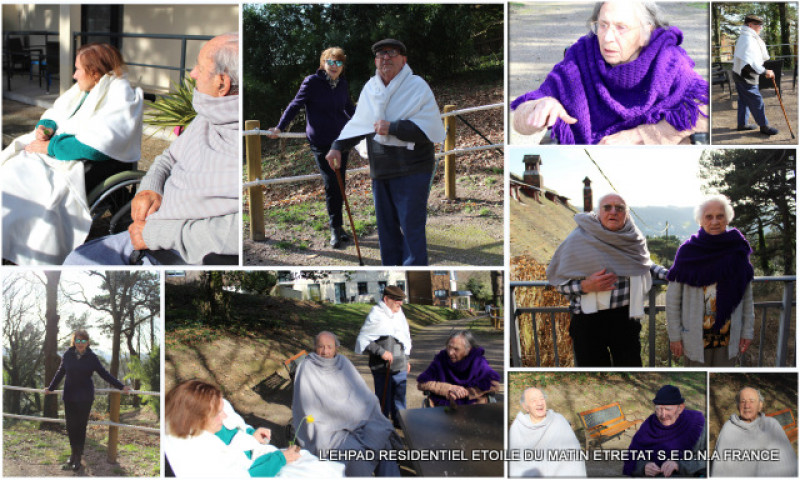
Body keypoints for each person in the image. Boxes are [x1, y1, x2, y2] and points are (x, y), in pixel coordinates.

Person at [63, 33, 239, 266]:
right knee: (76, 260)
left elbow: (235, 231)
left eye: (199, 66)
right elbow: (168, 157)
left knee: (78, 263)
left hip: (178, 251)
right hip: (150, 229)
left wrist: (157, 235)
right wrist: (150, 188)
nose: (192, 73)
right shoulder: (207, 116)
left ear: (222, 84)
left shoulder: (244, 145)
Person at [2, 42, 143, 265]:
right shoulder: (86, 88)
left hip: (83, 163)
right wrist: (45, 127)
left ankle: (21, 243)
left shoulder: (120, 94)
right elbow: (58, 111)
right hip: (57, 153)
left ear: (95, 72)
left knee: (21, 187)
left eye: (78, 69)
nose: (74, 75)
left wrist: (50, 147)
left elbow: (95, 146)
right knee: (9, 173)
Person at [511, 1, 708, 145]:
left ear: (645, 33)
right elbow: (519, 122)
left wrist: (641, 136)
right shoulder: (580, 58)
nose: (607, 38)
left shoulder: (669, 61)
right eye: (602, 25)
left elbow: (704, 111)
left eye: (621, 28)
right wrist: (538, 107)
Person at [326, 39, 445, 265]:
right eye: (381, 55)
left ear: (404, 60)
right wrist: (337, 146)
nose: (386, 58)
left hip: (413, 168)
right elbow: (359, 123)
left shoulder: (418, 86)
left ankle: (413, 272)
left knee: (412, 228)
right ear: (375, 61)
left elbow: (430, 129)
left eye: (392, 53)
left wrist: (393, 128)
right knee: (386, 230)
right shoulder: (371, 88)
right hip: (381, 169)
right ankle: (393, 273)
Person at [546, 193, 667, 366]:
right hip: (589, 321)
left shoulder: (633, 237)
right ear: (598, 212)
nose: (614, 211)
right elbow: (558, 282)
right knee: (595, 377)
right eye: (607, 207)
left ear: (626, 214)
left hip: (625, 319)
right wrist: (586, 285)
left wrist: (671, 275)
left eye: (620, 208)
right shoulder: (579, 238)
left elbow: (644, 263)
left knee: (630, 372)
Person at [268, 48, 356, 249]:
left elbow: (350, 109)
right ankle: (335, 229)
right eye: (330, 62)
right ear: (323, 63)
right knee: (331, 183)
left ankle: (340, 227)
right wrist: (280, 127)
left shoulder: (342, 84)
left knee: (340, 183)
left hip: (341, 141)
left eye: (339, 63)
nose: (334, 66)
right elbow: (295, 105)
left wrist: (366, 123)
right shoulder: (312, 82)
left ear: (343, 67)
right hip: (322, 142)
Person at [165, 380, 337, 477]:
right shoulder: (198, 452)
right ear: (196, 419)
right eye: (218, 413)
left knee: (323, 467)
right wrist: (280, 458)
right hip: (264, 467)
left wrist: (251, 434)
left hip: (261, 455)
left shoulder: (213, 419)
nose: (224, 416)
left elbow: (235, 427)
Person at [292, 331, 401, 477]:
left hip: (357, 421)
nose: (325, 351)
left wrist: (365, 409)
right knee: (355, 454)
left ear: (336, 347)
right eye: (321, 347)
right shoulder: (306, 367)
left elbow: (361, 391)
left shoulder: (343, 362)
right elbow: (307, 406)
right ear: (314, 347)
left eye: (329, 347)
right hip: (327, 428)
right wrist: (342, 415)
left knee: (383, 439)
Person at [666, 195, 755, 366]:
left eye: (720, 216)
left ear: (727, 219)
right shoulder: (687, 252)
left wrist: (747, 332)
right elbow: (673, 299)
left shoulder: (738, 249)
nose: (715, 221)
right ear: (700, 220)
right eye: (709, 216)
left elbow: (747, 297)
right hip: (695, 338)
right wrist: (675, 336)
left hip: (729, 337)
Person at [45, 330, 130, 471]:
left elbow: (104, 374)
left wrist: (121, 386)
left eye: (83, 341)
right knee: (71, 427)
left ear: (87, 342)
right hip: (70, 397)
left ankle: (78, 457)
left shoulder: (92, 358)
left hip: (85, 398)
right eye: (78, 340)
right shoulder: (67, 355)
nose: (80, 343)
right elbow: (60, 372)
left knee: (80, 427)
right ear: (74, 342)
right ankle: (72, 455)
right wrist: (51, 388)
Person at [355, 286, 412, 423]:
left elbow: (404, 339)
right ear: (386, 299)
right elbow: (364, 340)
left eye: (401, 300)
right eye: (397, 300)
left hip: (399, 366)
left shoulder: (399, 314)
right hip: (381, 368)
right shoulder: (376, 314)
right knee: (383, 399)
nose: (401, 303)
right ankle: (383, 424)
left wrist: (406, 360)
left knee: (399, 397)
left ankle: (400, 422)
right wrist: (381, 352)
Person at [712, 387, 797, 477]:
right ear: (738, 406)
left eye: (752, 401)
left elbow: (787, 459)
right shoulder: (729, 428)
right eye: (743, 401)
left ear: (760, 406)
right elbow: (721, 467)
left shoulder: (771, 424)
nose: (747, 405)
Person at [623, 385, 706, 477]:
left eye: (668, 409)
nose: (663, 415)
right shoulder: (648, 426)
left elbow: (709, 459)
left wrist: (680, 465)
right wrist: (643, 467)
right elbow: (632, 457)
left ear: (680, 408)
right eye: (659, 409)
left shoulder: (696, 425)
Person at [509, 387, 586, 477]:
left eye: (542, 399)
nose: (540, 403)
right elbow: (514, 463)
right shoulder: (518, 426)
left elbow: (574, 456)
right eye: (534, 400)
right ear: (525, 407)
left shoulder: (559, 421)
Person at [416, 330, 501, 406]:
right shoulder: (441, 359)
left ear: (468, 349)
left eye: (456, 349)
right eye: (449, 347)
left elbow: (494, 384)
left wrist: (466, 392)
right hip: (442, 405)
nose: (450, 352)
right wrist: (449, 389)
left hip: (472, 407)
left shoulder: (477, 361)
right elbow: (422, 383)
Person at [732, 14, 779, 135]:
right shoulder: (747, 40)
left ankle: (742, 124)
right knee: (757, 101)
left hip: (741, 74)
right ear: (750, 25)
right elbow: (750, 63)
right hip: (745, 75)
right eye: (758, 25)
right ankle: (764, 126)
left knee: (744, 100)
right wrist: (765, 71)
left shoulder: (748, 37)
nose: (760, 28)